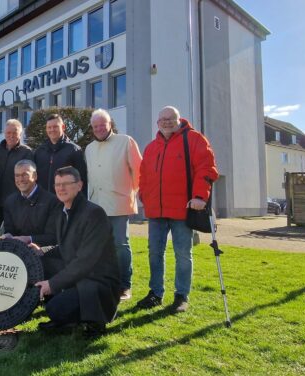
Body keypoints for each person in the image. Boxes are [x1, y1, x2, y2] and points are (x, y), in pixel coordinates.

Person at [137, 106, 219, 313]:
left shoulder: (194, 139)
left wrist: (200, 196)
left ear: (178, 119)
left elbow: (206, 169)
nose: (166, 122)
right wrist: (143, 194)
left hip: (183, 210)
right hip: (156, 211)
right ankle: (155, 293)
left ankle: (181, 295)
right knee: (154, 253)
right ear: (157, 123)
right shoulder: (151, 147)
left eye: (170, 118)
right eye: (162, 119)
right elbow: (144, 174)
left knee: (183, 254)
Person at [31, 166, 120, 337]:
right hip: (81, 276)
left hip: (97, 282)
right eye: (57, 184)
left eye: (66, 184)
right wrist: (42, 251)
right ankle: (67, 317)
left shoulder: (94, 213)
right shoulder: (62, 211)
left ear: (79, 185)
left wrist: (52, 284)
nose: (61, 188)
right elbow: (66, 247)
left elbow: (85, 260)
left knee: (55, 309)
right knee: (40, 263)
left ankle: (94, 321)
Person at [85, 109, 142, 301]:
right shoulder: (89, 148)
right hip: (96, 205)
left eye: (103, 124)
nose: (99, 128)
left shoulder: (125, 141)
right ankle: (106, 280)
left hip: (118, 203)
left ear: (110, 124)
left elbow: (139, 172)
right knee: (101, 246)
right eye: (95, 126)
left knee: (120, 244)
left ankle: (125, 285)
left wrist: (130, 194)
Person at [2, 159, 60, 247]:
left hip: (44, 254)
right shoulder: (9, 202)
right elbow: (9, 230)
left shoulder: (52, 201)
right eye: (17, 175)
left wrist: (30, 239)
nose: (20, 179)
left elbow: (53, 237)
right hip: (17, 251)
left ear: (35, 176)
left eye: (25, 175)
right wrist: (8, 235)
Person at [0, 119, 33, 237]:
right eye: (8, 133)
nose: (11, 136)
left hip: (16, 202)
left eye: (15, 132)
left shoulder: (26, 152)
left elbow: (29, 179)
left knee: (13, 235)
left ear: (20, 134)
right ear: (4, 133)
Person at [33, 114, 87, 194]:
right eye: (49, 127)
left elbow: (82, 180)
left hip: (66, 201)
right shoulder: (39, 151)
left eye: (55, 127)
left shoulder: (74, 150)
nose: (52, 130)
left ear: (63, 127)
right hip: (44, 202)